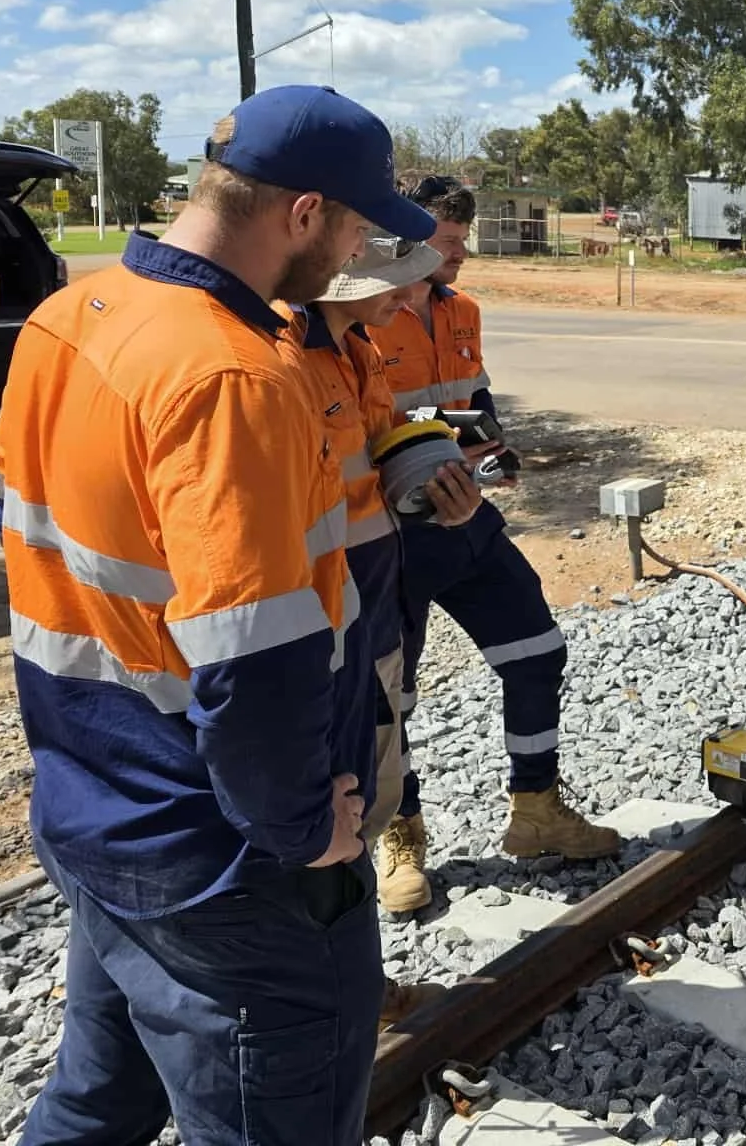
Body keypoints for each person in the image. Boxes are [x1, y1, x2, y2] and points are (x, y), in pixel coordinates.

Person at [0, 85, 436, 1145]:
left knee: (95, 1106)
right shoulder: (234, 374)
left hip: (98, 806)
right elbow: (257, 653)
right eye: (354, 226)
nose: (355, 254)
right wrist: (301, 832)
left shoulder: (71, 316)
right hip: (226, 863)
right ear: (302, 212)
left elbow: (41, 545)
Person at [372, 175, 617, 916]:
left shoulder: (463, 311)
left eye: (463, 241)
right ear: (408, 240)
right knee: (390, 699)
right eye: (449, 242)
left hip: (467, 522)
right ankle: (400, 837)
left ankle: (535, 810)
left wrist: (487, 465)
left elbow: (474, 411)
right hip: (391, 542)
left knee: (538, 652)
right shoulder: (362, 316)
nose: (463, 255)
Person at [290, 232, 477, 1026]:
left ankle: (359, 991)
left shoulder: (355, 349)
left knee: (363, 802)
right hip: (312, 639)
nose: (411, 298)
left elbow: (369, 464)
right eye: (393, 282)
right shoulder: (276, 361)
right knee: (321, 826)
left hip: (372, 617)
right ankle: (328, 1010)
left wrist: (436, 488)